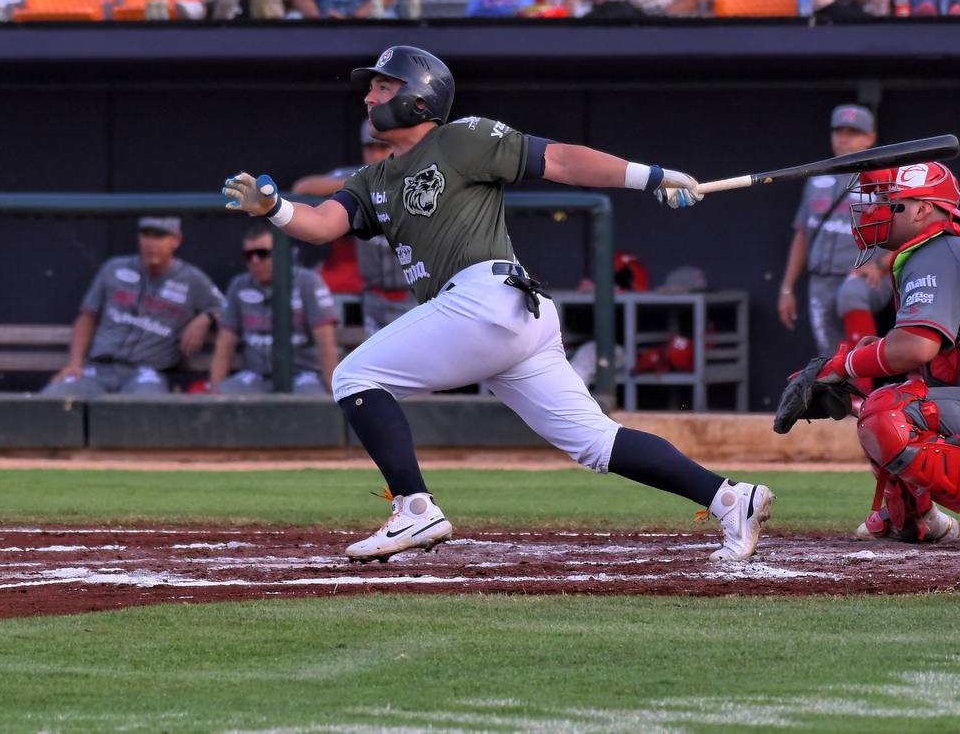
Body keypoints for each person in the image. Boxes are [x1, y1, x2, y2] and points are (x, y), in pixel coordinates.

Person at [222, 44, 775, 565]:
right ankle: (731, 499)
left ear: (419, 96)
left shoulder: (461, 136)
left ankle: (415, 507)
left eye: (383, 87)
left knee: (354, 377)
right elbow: (322, 225)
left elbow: (559, 160)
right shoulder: (373, 178)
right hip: (502, 318)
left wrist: (648, 176)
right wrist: (274, 208)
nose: (369, 98)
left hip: (488, 298)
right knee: (595, 442)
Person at [789, 162, 960, 551]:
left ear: (923, 210)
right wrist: (851, 386)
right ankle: (914, 517)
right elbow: (916, 354)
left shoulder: (938, 251)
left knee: (889, 410)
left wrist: (843, 365)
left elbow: (914, 348)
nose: (876, 211)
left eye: (892, 203)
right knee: (879, 406)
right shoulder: (941, 249)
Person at [778, 105, 894, 391]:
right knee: (829, 349)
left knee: (851, 293)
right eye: (839, 132)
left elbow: (911, 228)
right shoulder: (818, 176)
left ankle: (865, 395)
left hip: (867, 274)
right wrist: (787, 288)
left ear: (870, 137)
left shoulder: (882, 175)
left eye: (853, 133)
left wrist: (882, 264)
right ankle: (844, 409)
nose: (844, 139)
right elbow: (803, 234)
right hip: (821, 277)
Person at [42, 217, 224, 395]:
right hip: (99, 369)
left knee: (146, 406)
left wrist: (206, 316)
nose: (151, 243)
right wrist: (74, 364)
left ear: (176, 240)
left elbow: (227, 309)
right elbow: (87, 317)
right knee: (54, 397)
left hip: (146, 374)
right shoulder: (113, 268)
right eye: (146, 235)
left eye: (159, 236)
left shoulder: (192, 279)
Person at [292, 120, 415, 336]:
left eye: (382, 147)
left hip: (413, 294)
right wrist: (361, 182)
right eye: (370, 148)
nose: (375, 155)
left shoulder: (416, 173)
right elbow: (301, 187)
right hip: (373, 297)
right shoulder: (357, 176)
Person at [209, 223, 338, 394]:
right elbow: (225, 343)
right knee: (224, 398)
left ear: (281, 253)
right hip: (256, 375)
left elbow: (326, 342)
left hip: (304, 374)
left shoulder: (308, 281)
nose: (255, 261)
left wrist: (334, 390)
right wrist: (214, 393)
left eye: (262, 254)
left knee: (310, 402)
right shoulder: (239, 284)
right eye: (249, 255)